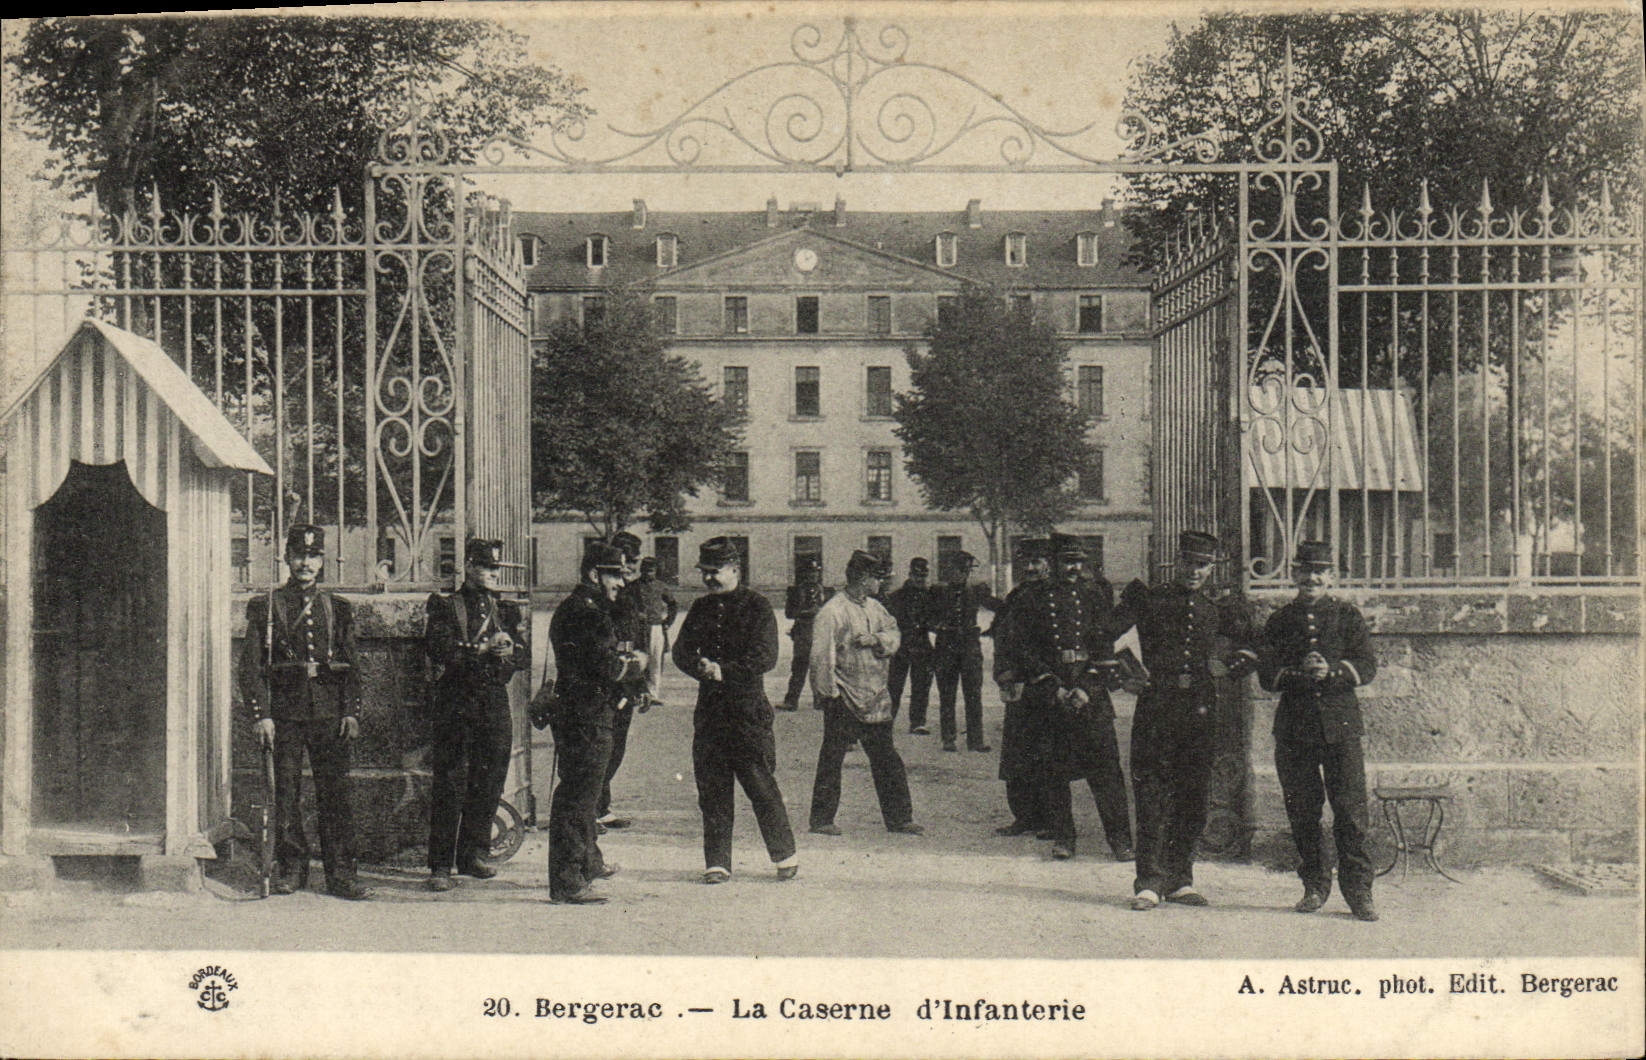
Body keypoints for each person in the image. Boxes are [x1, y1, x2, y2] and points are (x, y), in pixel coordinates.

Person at [1115, 530, 1255, 910]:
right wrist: (1127, 674)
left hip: (1200, 708)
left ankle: (1180, 879)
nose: (1195, 571)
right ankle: (1148, 881)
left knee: (1193, 792)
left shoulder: (1219, 606)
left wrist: (1228, 666)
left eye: (1203, 564)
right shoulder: (1151, 599)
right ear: (1176, 561)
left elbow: (1251, 643)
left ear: (1212, 567)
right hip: (1157, 705)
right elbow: (1105, 636)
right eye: (1189, 562)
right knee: (1151, 792)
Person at [241, 524, 372, 900]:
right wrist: (260, 714)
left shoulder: (338, 608)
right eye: (299, 555)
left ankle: (342, 875)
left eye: (313, 556)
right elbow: (251, 668)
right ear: (286, 558)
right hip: (285, 712)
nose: (305, 563)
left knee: (336, 794)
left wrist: (351, 711)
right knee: (286, 792)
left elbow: (352, 665)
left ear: (322, 561)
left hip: (329, 713)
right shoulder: (266, 606)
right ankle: (292, 869)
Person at [1259, 540, 1380, 922]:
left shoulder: (1348, 617)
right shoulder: (1280, 620)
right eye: (1305, 570)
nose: (1312, 577)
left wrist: (1335, 672)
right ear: (1294, 573)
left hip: (1341, 727)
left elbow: (1368, 665)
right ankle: (1314, 886)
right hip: (1295, 729)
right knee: (1303, 811)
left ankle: (1359, 892)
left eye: (1320, 571)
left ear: (1332, 576)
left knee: (1350, 811)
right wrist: (1298, 673)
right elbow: (1267, 674)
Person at [672, 537, 800, 884]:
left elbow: (766, 656)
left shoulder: (758, 606)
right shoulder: (700, 608)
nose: (710, 579)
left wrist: (723, 670)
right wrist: (697, 664)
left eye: (716, 572)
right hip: (711, 712)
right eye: (706, 573)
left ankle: (784, 855)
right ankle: (717, 863)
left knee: (760, 784)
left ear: (735, 570)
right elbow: (680, 651)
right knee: (712, 790)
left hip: (746, 712)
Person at [1003, 534, 1133, 861]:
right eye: (1066, 562)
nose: (1073, 568)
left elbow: (1104, 645)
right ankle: (1064, 837)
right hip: (1052, 695)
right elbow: (1024, 648)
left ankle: (1120, 840)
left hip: (1091, 696)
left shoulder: (1095, 596)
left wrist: (1087, 687)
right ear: (1055, 564)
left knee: (1106, 772)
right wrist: (1053, 687)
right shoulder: (1032, 599)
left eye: (1078, 562)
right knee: (1052, 770)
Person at [423, 538, 531, 893]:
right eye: (486, 567)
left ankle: (474, 854)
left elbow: (524, 657)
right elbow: (439, 649)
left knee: (490, 779)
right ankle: (441, 864)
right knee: (450, 783)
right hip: (456, 701)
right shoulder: (445, 605)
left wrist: (508, 652)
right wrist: (481, 649)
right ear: (468, 566)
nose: (493, 574)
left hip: (493, 701)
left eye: (496, 568)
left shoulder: (506, 610)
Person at [545, 541, 646, 904]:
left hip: (582, 711)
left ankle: (587, 862)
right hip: (587, 713)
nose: (621, 582)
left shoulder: (580, 608)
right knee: (578, 795)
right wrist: (636, 665)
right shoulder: (587, 613)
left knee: (586, 793)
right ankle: (568, 880)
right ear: (594, 574)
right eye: (615, 575)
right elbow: (608, 666)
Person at [807, 550, 924, 837]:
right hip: (843, 695)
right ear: (861, 579)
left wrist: (878, 640)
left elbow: (894, 634)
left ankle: (899, 818)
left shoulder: (876, 608)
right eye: (876, 578)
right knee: (832, 758)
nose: (880, 584)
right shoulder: (832, 611)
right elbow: (821, 656)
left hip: (875, 695)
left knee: (887, 758)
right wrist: (828, 694)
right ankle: (822, 819)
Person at [990, 538, 1051, 837]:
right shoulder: (1015, 598)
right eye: (1025, 562)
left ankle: (1052, 819)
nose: (1030, 567)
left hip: (1046, 685)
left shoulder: (1056, 598)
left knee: (1048, 753)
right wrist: (1002, 673)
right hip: (1017, 686)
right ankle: (1024, 816)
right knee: (1016, 753)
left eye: (1037, 561)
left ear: (1048, 564)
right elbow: (1002, 639)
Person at [598, 530, 651, 831]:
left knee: (615, 745)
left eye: (634, 561)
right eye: (626, 561)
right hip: (613, 674)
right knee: (605, 744)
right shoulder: (611, 595)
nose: (630, 567)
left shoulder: (632, 592)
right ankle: (595, 805)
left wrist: (640, 683)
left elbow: (637, 638)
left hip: (628, 674)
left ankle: (601, 805)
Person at [929, 551, 1004, 752]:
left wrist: (994, 629)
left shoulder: (977, 591)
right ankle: (948, 738)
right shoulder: (937, 591)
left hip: (970, 645)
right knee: (947, 694)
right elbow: (923, 614)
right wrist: (936, 626)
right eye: (956, 570)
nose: (959, 575)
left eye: (964, 571)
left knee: (973, 693)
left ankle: (975, 739)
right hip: (946, 645)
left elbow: (1001, 608)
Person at [886, 557, 936, 736]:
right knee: (894, 686)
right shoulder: (896, 597)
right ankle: (887, 721)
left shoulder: (931, 597)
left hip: (922, 647)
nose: (920, 579)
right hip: (902, 647)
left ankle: (918, 722)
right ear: (910, 575)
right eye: (916, 575)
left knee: (921, 687)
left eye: (923, 576)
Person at [780, 556, 833, 711]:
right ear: (804, 574)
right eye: (810, 572)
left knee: (820, 666)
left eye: (815, 572)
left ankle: (820, 699)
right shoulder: (795, 591)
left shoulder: (827, 591)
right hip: (803, 632)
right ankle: (791, 700)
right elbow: (789, 613)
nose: (813, 576)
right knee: (799, 667)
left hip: (821, 632)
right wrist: (809, 611)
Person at [635, 556, 679, 708]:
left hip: (656, 628)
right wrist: (634, 616)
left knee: (656, 661)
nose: (648, 574)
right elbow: (624, 606)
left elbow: (673, 604)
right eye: (646, 570)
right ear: (641, 570)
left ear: (656, 572)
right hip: (638, 630)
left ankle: (653, 694)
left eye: (651, 571)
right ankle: (639, 695)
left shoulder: (661, 586)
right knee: (639, 661)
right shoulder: (633, 587)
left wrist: (668, 622)